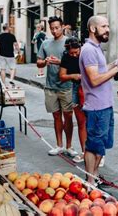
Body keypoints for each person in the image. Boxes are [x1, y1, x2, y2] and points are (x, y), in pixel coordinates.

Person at [79, 15, 118, 185]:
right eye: (103, 26)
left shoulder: (96, 48)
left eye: (108, 26)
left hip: (105, 106)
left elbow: (101, 70)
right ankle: (90, 181)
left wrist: (116, 62)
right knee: (93, 146)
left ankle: (94, 177)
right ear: (93, 29)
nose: (108, 30)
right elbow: (95, 79)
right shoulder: (88, 50)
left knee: (101, 146)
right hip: (96, 107)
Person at [37, 17, 77, 158]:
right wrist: (45, 62)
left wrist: (60, 62)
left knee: (68, 116)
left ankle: (69, 146)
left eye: (57, 28)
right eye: (52, 28)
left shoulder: (69, 42)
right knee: (56, 117)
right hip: (51, 86)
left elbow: (75, 63)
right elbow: (38, 63)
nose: (54, 31)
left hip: (67, 86)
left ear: (62, 27)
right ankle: (59, 145)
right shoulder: (46, 44)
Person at [59, 37, 86, 163]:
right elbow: (62, 76)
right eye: (72, 53)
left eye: (77, 52)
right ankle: (84, 152)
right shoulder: (66, 56)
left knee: (92, 122)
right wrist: (73, 76)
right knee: (81, 122)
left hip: (89, 88)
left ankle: (97, 153)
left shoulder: (86, 52)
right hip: (76, 88)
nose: (75, 55)